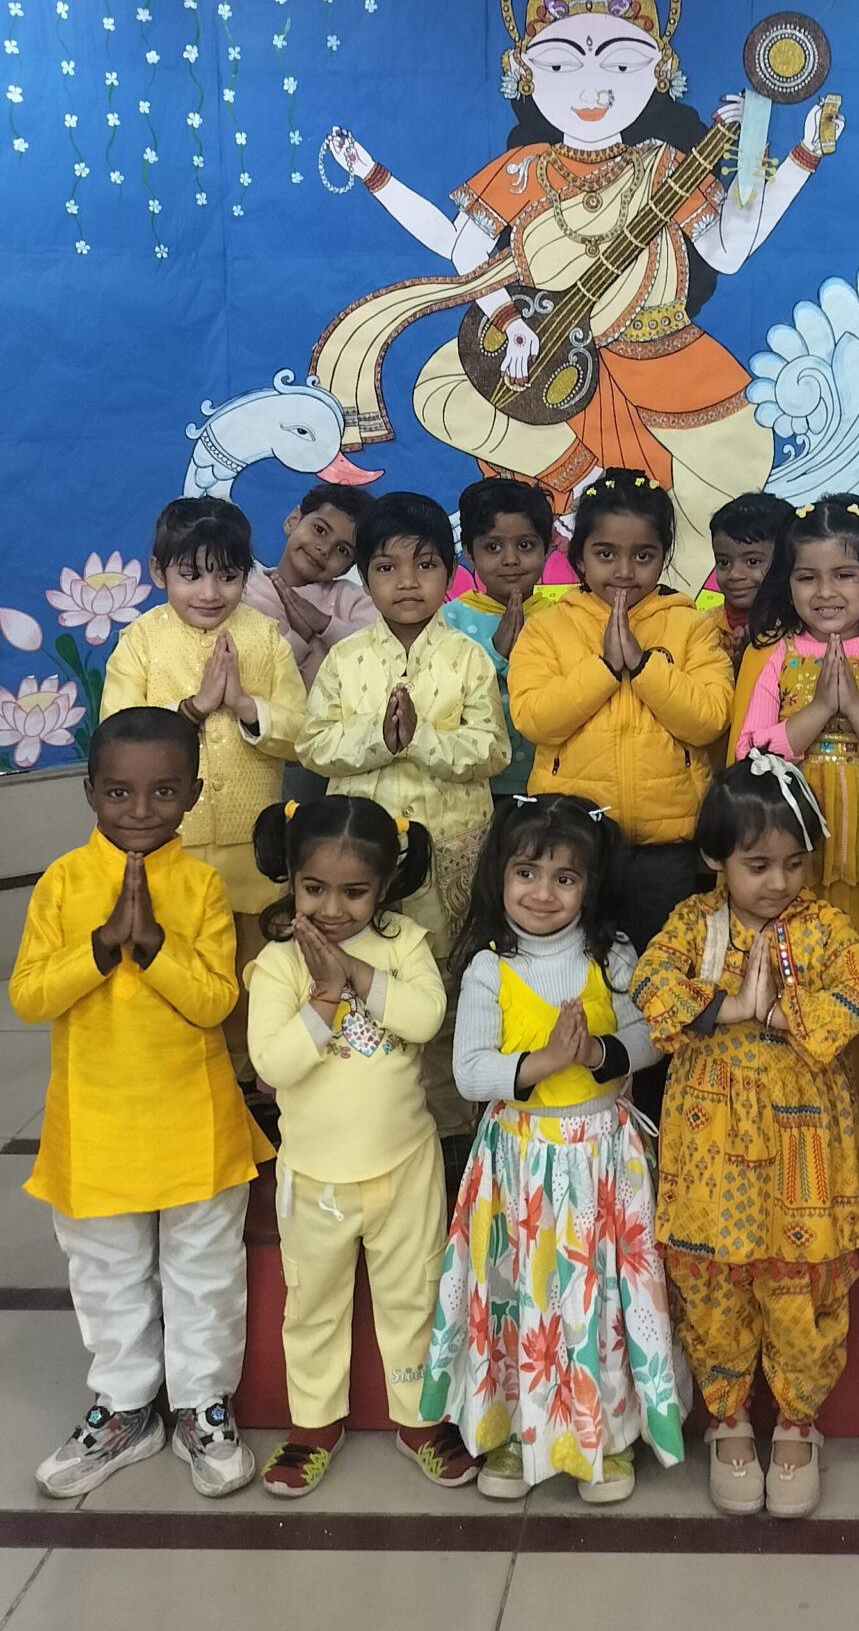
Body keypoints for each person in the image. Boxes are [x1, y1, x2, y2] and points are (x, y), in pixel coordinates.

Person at [314, 0, 843, 592]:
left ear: (657, 71)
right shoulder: (524, 171)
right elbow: (462, 251)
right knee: (441, 390)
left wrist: (792, 157)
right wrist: (379, 181)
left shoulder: (664, 165)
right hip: (551, 365)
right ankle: (581, 486)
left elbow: (727, 251)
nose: (592, 86)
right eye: (564, 64)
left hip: (665, 362)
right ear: (526, 72)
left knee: (734, 468)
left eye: (620, 64)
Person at [12, 709, 267, 1500]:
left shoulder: (202, 887)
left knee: (204, 1274)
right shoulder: (62, 883)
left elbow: (215, 1001)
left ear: (194, 793)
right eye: (119, 791)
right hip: (93, 1125)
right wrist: (99, 947)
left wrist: (153, 947)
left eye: (163, 790)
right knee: (107, 1274)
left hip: (194, 1121)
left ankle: (201, 1407)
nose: (141, 809)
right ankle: (125, 1410)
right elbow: (28, 996)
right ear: (89, 791)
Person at [631, 755, 859, 1518]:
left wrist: (778, 1014)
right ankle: (729, 1414)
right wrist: (731, 1009)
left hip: (803, 1141)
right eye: (758, 865)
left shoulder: (825, 928)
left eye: (794, 864)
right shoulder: (692, 925)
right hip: (708, 1145)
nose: (778, 882)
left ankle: (799, 1420)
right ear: (716, 859)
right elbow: (650, 986)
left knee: (801, 1282)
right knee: (713, 1282)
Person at [420, 794, 684, 1503]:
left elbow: (651, 1037)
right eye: (526, 873)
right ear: (499, 877)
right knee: (521, 1295)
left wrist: (598, 1053)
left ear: (590, 886)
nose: (542, 892)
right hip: (519, 1167)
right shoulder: (488, 968)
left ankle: (610, 1435)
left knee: (601, 1300)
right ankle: (512, 1430)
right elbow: (470, 1071)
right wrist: (542, 1063)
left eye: (564, 878)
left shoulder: (613, 955)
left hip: (603, 1160)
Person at [246, 798, 474, 1496]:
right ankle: (314, 1425)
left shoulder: (403, 944)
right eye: (314, 888)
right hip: (315, 1177)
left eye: (354, 892)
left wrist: (356, 975)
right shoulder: (279, 964)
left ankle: (419, 1420)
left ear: (385, 886)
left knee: (414, 1296)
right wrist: (324, 995)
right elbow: (274, 1064)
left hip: (406, 1165)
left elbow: (426, 1017)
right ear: (291, 879)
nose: (332, 908)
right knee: (312, 1301)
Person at [295, 492, 511, 1173]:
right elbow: (313, 745)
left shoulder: (470, 657)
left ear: (451, 571)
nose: (407, 582)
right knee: (367, 984)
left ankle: (451, 1130)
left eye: (425, 565)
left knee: (445, 990)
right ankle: (373, 1121)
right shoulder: (345, 658)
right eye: (387, 568)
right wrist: (379, 738)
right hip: (364, 866)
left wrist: (420, 741)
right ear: (365, 576)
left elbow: (493, 750)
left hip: (452, 857)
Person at [736, 493, 859, 1164]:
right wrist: (820, 709)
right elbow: (749, 757)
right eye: (807, 577)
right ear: (787, 584)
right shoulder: (777, 657)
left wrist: (854, 705)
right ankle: (799, 1140)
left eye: (844, 575)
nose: (825, 592)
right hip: (793, 865)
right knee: (797, 994)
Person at [100, 498, 308, 1080]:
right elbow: (118, 737)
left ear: (246, 573)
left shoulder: (265, 637)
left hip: (255, 852)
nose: (211, 592)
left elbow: (303, 736)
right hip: (173, 851)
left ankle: (251, 1079)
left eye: (228, 575)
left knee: (255, 972)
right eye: (191, 575)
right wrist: (191, 710)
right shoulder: (140, 641)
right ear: (158, 572)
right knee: (180, 967)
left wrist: (245, 706)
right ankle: (188, 1076)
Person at [507, 469, 733, 980]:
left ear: (663, 555)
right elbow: (535, 720)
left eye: (643, 555)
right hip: (572, 843)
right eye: (606, 554)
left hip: (666, 846)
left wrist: (645, 667)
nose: (625, 571)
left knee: (663, 971)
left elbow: (709, 721)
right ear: (579, 557)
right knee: (578, 974)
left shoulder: (691, 626)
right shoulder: (547, 628)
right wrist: (606, 669)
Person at [442, 477, 567, 800]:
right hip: (473, 785)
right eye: (493, 547)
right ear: (469, 554)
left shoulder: (565, 618)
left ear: (547, 549)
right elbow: (440, 696)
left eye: (525, 546)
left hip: (548, 783)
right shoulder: (448, 620)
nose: (510, 559)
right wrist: (494, 653)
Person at [244, 485, 376, 692]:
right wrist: (301, 638)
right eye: (320, 530)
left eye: (342, 550)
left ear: (347, 567)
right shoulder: (245, 595)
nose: (325, 549)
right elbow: (254, 676)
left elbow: (376, 649)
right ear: (293, 521)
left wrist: (323, 624)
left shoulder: (353, 599)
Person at [700, 490, 794, 675]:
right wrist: (737, 668)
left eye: (752, 561)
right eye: (724, 562)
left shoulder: (802, 627)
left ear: (785, 561)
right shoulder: (704, 629)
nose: (735, 574)